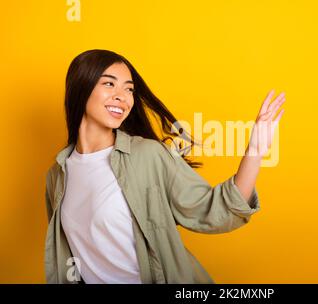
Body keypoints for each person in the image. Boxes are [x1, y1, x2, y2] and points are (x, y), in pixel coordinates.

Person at [44, 49, 286, 284]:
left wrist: (255, 151)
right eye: (109, 84)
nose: (122, 96)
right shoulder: (58, 174)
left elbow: (214, 211)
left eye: (129, 89)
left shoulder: (148, 156)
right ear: (80, 88)